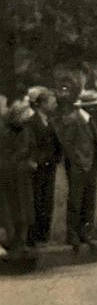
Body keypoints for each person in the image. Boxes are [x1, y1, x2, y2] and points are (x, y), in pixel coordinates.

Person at [57, 88, 97, 250]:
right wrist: (76, 163)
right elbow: (68, 145)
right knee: (76, 201)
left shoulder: (90, 120)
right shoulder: (73, 120)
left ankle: (85, 233)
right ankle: (73, 234)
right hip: (79, 166)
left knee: (88, 201)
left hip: (91, 165)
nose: (96, 107)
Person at [0, 94, 37, 255]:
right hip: (10, 176)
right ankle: (13, 241)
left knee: (24, 210)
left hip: (22, 176)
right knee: (12, 210)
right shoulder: (6, 133)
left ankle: (21, 241)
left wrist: (31, 160)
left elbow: (32, 148)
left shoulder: (26, 131)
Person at [26, 86, 60, 246]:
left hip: (49, 166)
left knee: (47, 201)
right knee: (36, 200)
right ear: (41, 104)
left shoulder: (50, 122)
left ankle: (44, 235)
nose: (54, 104)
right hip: (38, 167)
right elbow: (30, 144)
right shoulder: (31, 122)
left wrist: (55, 159)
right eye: (50, 101)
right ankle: (34, 236)